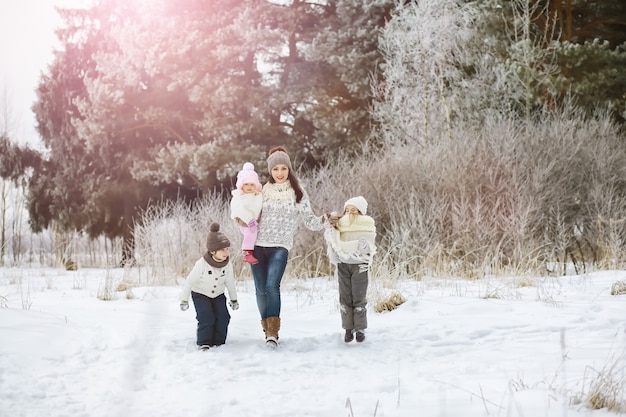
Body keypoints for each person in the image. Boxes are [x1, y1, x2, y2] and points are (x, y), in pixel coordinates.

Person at [234, 146, 324, 348]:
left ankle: (273, 333)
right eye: (276, 169)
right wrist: (240, 220)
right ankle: (266, 328)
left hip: (280, 247)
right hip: (257, 245)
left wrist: (327, 220)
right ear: (270, 171)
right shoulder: (262, 190)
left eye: (284, 168)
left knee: (271, 286)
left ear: (289, 169)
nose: (280, 173)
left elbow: (310, 221)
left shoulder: (298, 192)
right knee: (259, 289)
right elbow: (247, 210)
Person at [323, 196, 376, 343]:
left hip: (360, 264)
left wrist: (356, 247)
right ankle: (347, 329)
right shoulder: (339, 225)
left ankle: (360, 329)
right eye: (347, 210)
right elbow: (334, 242)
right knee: (345, 297)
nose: (350, 212)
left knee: (359, 297)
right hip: (343, 264)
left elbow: (367, 246)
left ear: (361, 212)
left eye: (354, 210)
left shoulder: (368, 225)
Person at [179, 222, 239, 350]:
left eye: (227, 249)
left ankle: (219, 342)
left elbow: (230, 283)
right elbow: (189, 281)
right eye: (223, 249)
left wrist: (234, 299)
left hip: (218, 294)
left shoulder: (227, 265)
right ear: (212, 251)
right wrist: (184, 300)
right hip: (200, 294)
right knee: (206, 316)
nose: (226, 252)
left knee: (223, 316)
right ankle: (204, 342)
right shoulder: (202, 264)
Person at [230, 162, 263, 264]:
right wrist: (250, 220)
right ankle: (247, 252)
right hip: (244, 220)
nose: (249, 187)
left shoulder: (256, 195)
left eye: (252, 184)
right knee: (250, 233)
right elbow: (239, 209)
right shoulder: (239, 196)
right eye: (246, 184)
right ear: (241, 185)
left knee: (254, 235)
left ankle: (253, 250)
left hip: (254, 220)